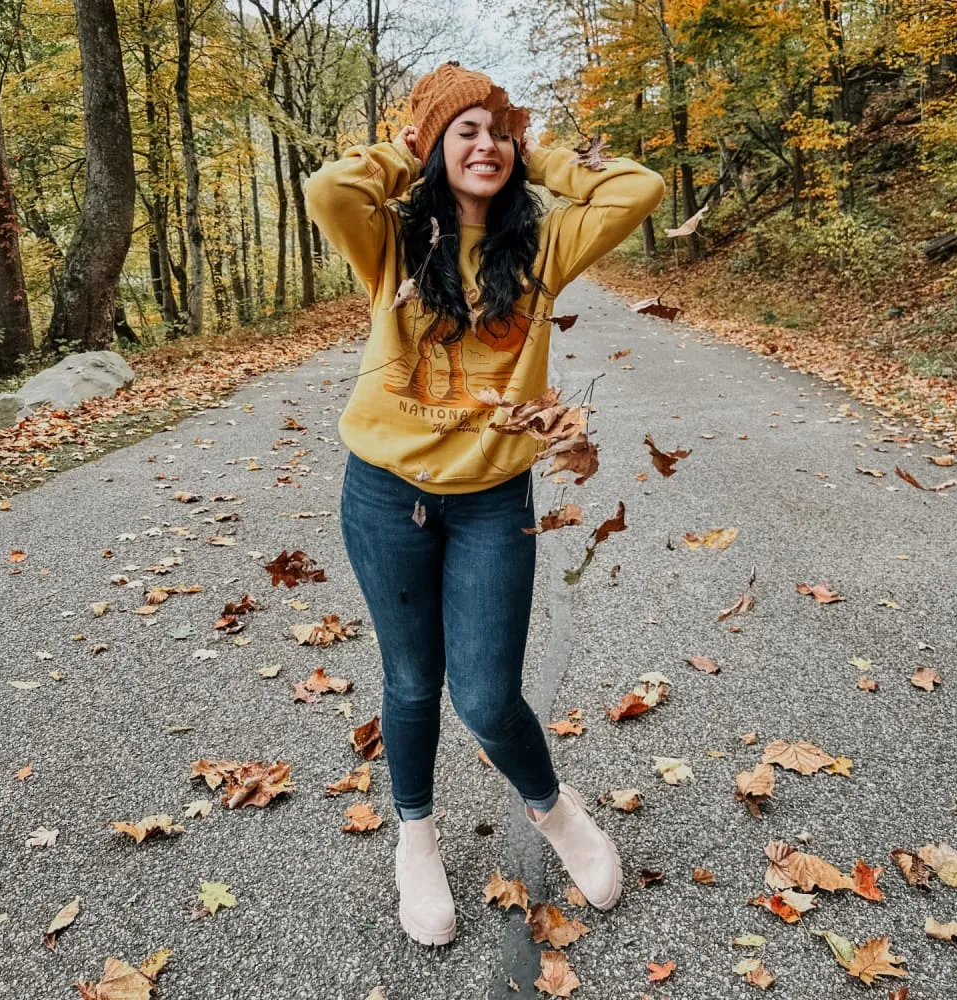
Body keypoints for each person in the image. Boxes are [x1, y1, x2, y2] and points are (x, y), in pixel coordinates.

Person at [305, 61, 664, 947]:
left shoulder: (541, 250)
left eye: (497, 131)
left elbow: (639, 187)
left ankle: (556, 813)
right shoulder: (391, 242)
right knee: (411, 681)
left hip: (494, 500)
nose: (486, 144)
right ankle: (416, 839)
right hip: (385, 495)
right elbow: (326, 187)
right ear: (432, 148)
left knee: (490, 695)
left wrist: (541, 154)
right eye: (464, 131)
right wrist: (407, 148)